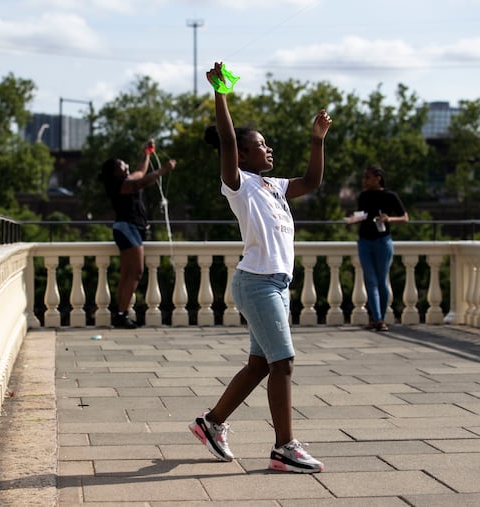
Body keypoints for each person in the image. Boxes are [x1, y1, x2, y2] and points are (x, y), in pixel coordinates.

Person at [188, 61, 332, 473]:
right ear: (244, 154)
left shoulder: (275, 186)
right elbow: (228, 141)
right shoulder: (239, 184)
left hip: (276, 283)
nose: (268, 150)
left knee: (259, 365)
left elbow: (312, 181)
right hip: (256, 284)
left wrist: (316, 139)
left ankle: (212, 423)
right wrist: (220, 94)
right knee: (282, 363)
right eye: (262, 145)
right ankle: (284, 447)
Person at [99, 140, 176, 329]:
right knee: (136, 272)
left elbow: (140, 172)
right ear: (115, 172)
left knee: (127, 274)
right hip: (128, 228)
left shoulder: (125, 180)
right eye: (121, 164)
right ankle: (121, 315)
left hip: (127, 229)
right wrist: (163, 170)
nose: (126, 165)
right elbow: (143, 181)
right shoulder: (120, 185)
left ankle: (120, 314)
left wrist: (147, 153)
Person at [353, 164, 408, 332]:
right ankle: (376, 318)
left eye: (368, 177)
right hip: (364, 241)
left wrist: (388, 219)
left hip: (383, 241)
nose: (365, 180)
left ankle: (380, 317)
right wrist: (353, 219)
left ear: (378, 178)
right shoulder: (363, 196)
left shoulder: (390, 196)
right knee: (370, 280)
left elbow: (405, 217)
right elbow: (362, 215)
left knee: (381, 280)